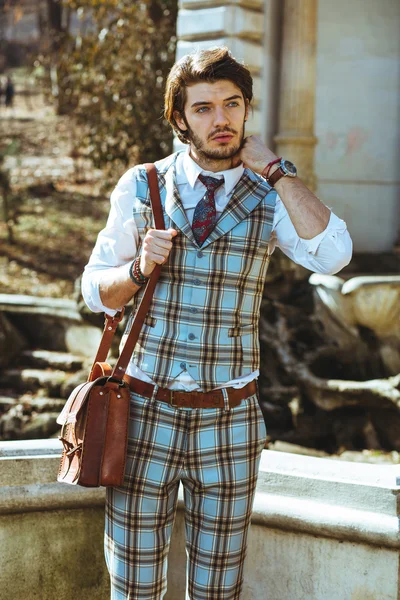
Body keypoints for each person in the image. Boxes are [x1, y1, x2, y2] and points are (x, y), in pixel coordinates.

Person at [82, 47, 352, 600]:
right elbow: (93, 292)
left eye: (231, 105)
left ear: (247, 111)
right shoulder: (142, 185)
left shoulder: (270, 193)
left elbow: (335, 254)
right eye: (202, 108)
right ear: (180, 119)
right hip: (143, 414)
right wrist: (138, 268)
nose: (220, 119)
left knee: (218, 589)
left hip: (230, 421)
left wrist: (277, 170)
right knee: (132, 586)